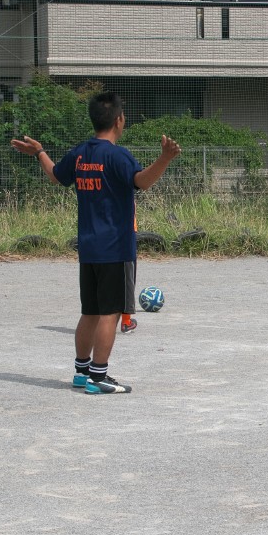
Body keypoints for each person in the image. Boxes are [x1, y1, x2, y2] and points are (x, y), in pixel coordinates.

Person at [11, 91, 181, 394]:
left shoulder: (80, 153)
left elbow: (56, 176)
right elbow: (142, 181)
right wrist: (165, 158)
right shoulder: (118, 156)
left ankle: (81, 371)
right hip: (115, 248)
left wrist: (39, 152)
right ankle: (99, 376)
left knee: (90, 312)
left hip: (88, 248)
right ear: (119, 120)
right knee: (110, 313)